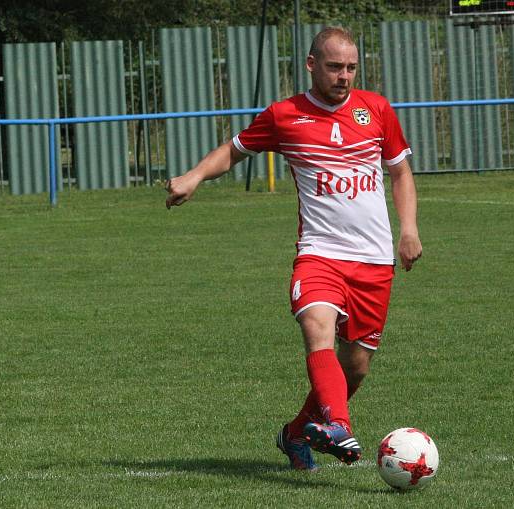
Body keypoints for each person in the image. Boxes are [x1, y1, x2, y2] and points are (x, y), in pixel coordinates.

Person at [165, 26, 422, 471]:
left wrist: (409, 229)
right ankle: (339, 425)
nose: (344, 76)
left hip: (374, 260)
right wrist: (193, 177)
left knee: (356, 367)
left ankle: (295, 433)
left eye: (351, 68)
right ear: (311, 65)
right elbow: (235, 149)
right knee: (316, 327)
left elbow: (399, 172)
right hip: (319, 252)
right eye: (335, 67)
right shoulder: (285, 115)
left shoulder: (377, 109)